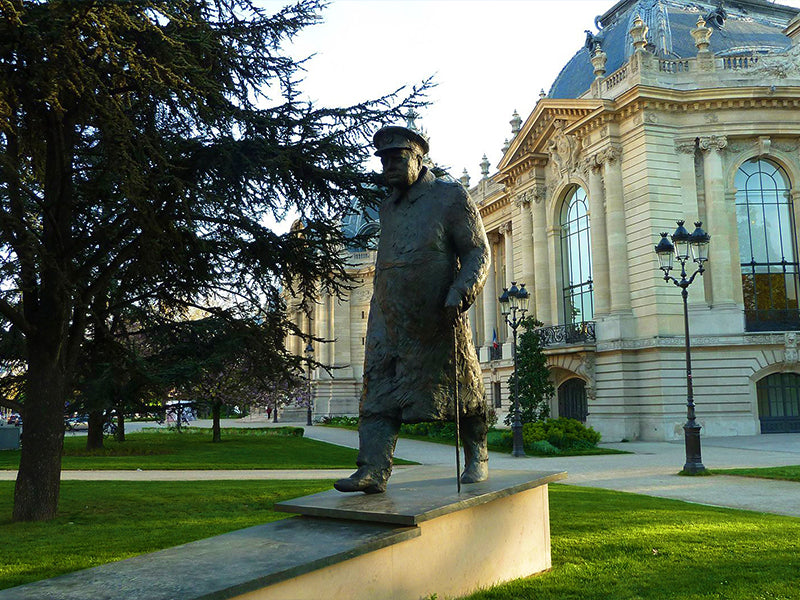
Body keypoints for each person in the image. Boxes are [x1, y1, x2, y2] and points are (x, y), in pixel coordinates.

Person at [334, 125, 491, 494]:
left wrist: (463, 289)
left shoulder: (450, 196)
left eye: (396, 157)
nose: (387, 165)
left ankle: (477, 455)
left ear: (418, 158)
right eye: (383, 158)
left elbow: (478, 251)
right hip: (388, 315)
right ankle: (372, 468)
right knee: (378, 390)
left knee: (462, 387)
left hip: (438, 313)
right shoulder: (387, 205)